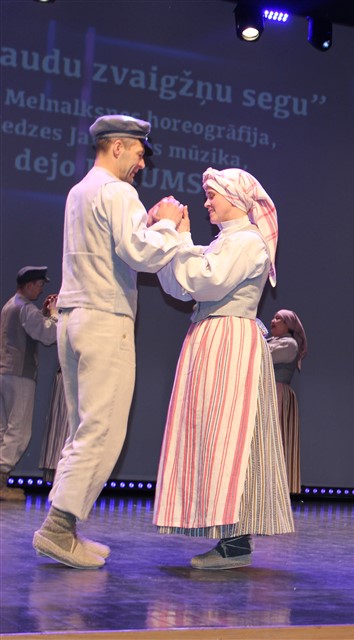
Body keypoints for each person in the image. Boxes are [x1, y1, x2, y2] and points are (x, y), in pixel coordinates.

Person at [33, 115, 184, 570]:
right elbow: (140, 253)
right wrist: (168, 225)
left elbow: (117, 242)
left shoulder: (80, 191)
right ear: (117, 146)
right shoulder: (118, 192)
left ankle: (64, 526)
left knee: (84, 428)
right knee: (102, 430)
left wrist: (147, 223)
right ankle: (59, 529)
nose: (142, 163)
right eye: (138, 152)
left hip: (74, 318)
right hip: (105, 319)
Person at [153, 167, 294, 570]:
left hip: (230, 340)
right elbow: (180, 286)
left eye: (212, 195)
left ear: (235, 198)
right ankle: (230, 536)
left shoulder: (248, 241)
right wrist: (172, 238)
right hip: (210, 339)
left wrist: (181, 239)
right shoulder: (223, 242)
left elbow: (205, 283)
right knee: (212, 434)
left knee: (232, 435)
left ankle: (236, 541)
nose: (206, 203)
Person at [1, 266, 58, 501]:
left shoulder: (10, 305)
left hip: (5, 374)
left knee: (4, 429)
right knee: (19, 430)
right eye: (40, 285)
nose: (41, 290)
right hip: (20, 376)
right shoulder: (25, 308)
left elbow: (34, 327)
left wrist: (43, 315)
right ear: (30, 285)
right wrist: (54, 314)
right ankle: (1, 479)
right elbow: (48, 335)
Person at [266, 309, 308, 495]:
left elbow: (264, 357)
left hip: (277, 396)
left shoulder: (289, 345)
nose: (273, 321)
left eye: (279, 319)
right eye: (274, 317)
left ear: (288, 325)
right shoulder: (270, 341)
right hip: (267, 393)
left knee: (275, 440)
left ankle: (274, 488)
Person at [38, 366, 69, 484]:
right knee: (64, 432)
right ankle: (61, 480)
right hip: (72, 375)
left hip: (79, 376)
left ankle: (63, 480)